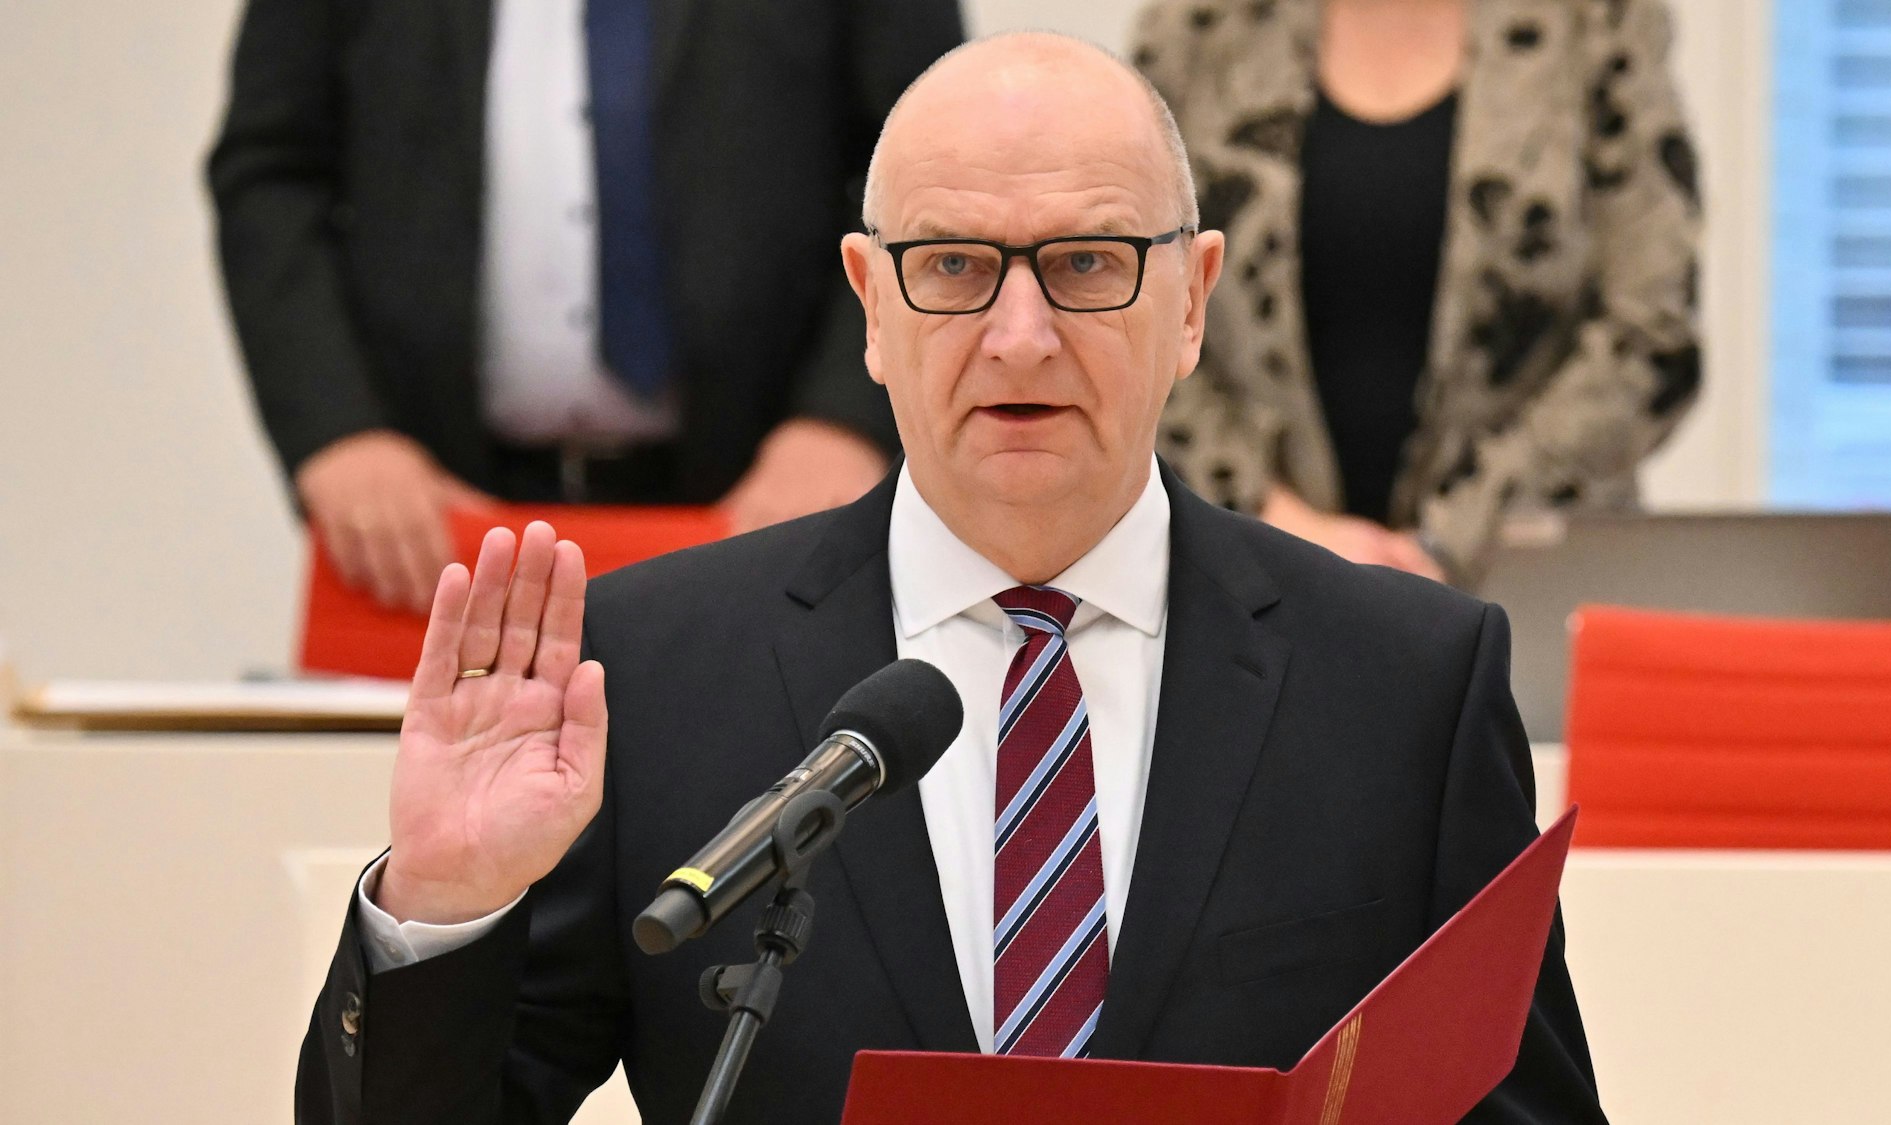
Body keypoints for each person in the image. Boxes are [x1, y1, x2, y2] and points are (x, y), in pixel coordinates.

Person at [296, 33, 1608, 1123]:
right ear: (871, 304)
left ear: (1194, 299)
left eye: (1089, 263)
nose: (1020, 335)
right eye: (954, 268)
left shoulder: (1404, 685)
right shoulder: (651, 670)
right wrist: (446, 911)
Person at [207, 0, 963, 612]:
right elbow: (273, 175)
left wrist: (846, 418)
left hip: (767, 497)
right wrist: (339, 430)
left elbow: (933, 176)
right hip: (433, 515)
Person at [1134, 0, 1703, 586]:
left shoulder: (1597, 22)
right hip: (1249, 584)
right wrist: (1273, 517)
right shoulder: (1197, 28)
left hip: (1525, 590)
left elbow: (1653, 333)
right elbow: (1135, 307)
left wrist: (1451, 540)